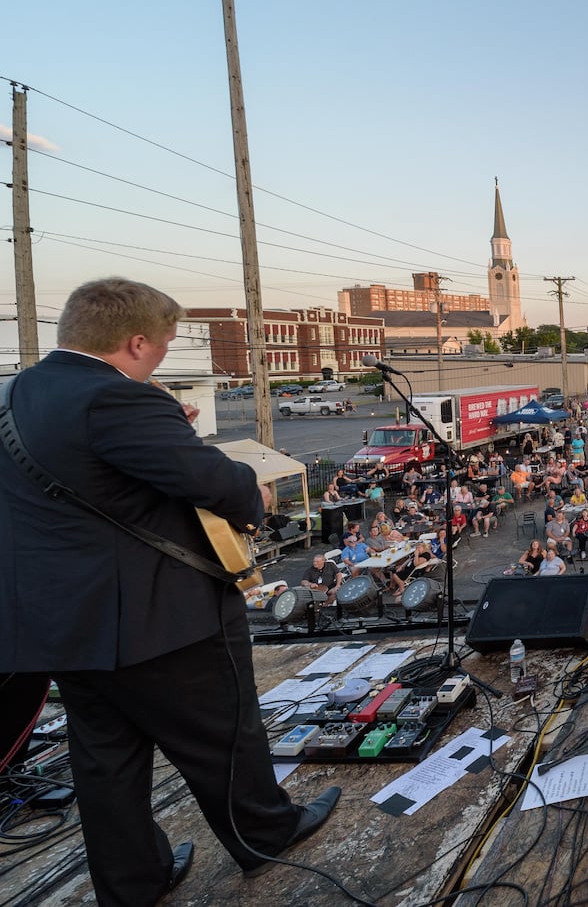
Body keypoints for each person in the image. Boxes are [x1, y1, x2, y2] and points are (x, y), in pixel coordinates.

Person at [0, 278, 340, 904]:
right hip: (157, 618)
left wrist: (163, 429)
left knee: (106, 761)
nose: (161, 358)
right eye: (161, 347)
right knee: (224, 733)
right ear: (134, 343)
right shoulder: (117, 400)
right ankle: (265, 834)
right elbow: (222, 487)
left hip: (57, 624)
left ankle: (133, 882)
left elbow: (90, 486)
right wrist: (255, 492)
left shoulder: (13, 394)